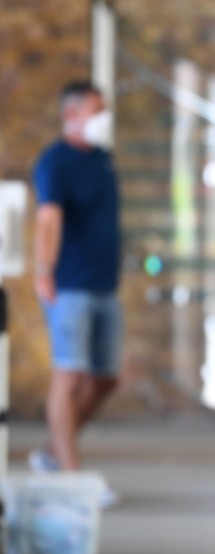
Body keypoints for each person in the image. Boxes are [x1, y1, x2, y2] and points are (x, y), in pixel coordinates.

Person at [30, 81, 121, 491]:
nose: (104, 118)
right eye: (95, 110)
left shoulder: (102, 158)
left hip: (105, 285)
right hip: (69, 286)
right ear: (72, 116)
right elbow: (48, 219)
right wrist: (44, 268)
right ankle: (71, 479)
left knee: (104, 378)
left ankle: (53, 452)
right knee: (69, 375)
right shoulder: (55, 162)